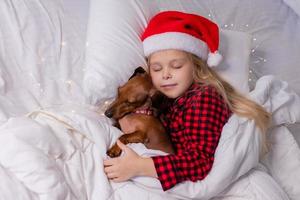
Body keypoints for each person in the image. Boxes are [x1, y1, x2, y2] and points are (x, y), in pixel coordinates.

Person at [103, 11, 271, 191]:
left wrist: (141, 166)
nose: (166, 74)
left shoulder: (203, 99)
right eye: (157, 69)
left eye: (176, 66)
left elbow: (200, 162)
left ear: (195, 67)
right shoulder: (168, 100)